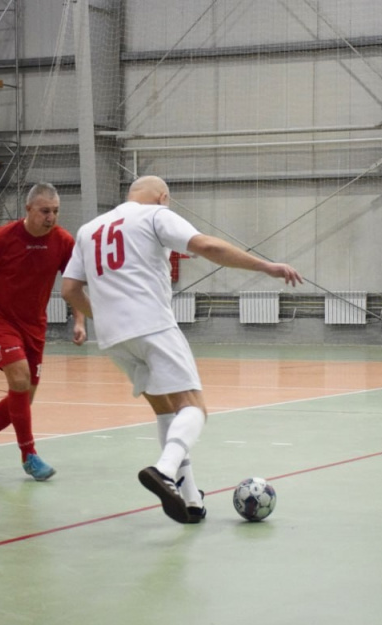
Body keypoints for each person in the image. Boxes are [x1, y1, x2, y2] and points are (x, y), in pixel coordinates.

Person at [61, 175, 303, 524]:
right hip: (151, 324)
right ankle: (164, 470)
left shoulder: (89, 229)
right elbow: (207, 246)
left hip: (113, 337)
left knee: (166, 411)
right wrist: (266, 266)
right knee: (193, 407)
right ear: (163, 197)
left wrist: (106, 316)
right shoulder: (155, 215)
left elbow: (70, 289)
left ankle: (191, 501)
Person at [0, 183, 86, 481]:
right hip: (0, 320)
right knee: (20, 378)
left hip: (34, 326)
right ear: (28, 209)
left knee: (23, 397)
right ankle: (29, 456)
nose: (51, 217)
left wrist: (79, 321)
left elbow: (73, 283)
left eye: (55, 211)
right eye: (45, 211)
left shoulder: (63, 241)